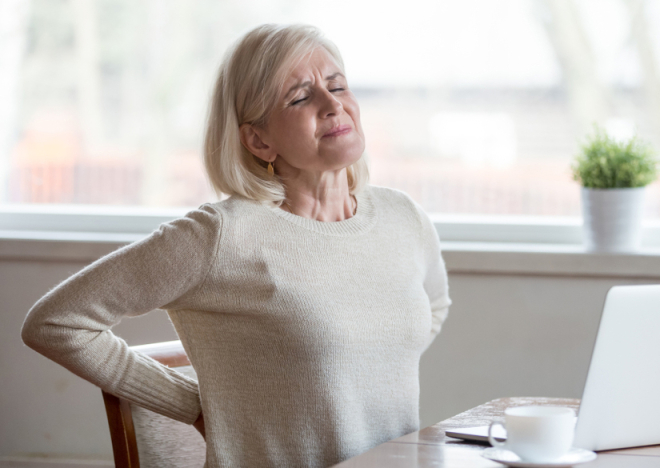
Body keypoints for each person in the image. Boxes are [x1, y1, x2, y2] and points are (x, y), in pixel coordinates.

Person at [20, 24, 451, 468]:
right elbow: (56, 323)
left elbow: (433, 305)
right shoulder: (221, 236)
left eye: (337, 84)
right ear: (259, 139)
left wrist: (366, 356)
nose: (333, 103)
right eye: (301, 97)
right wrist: (194, 404)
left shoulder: (404, 217)